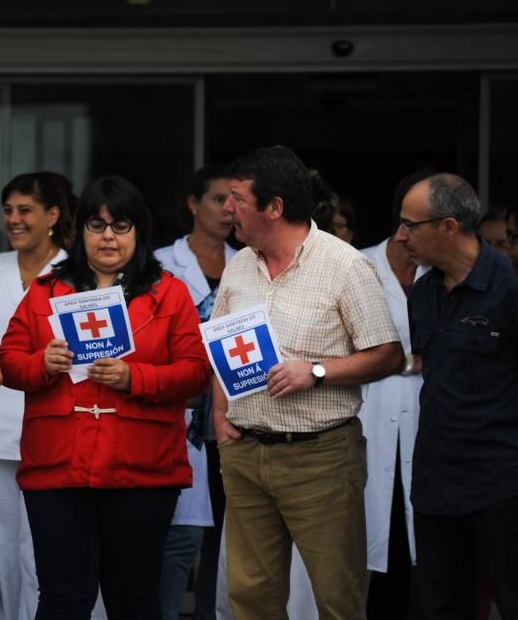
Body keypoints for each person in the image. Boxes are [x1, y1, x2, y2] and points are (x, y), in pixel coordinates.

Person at [0, 176, 211, 620]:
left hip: (142, 468)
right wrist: (44, 362)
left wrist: (136, 377)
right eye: (97, 225)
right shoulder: (45, 290)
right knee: (62, 599)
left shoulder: (169, 292)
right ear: (81, 232)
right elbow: (9, 362)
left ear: (140, 231)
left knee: (134, 600)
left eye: (121, 225)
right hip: (57, 466)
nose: (109, 236)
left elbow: (195, 373)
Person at [211, 145, 403, 620]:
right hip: (245, 453)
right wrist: (220, 414)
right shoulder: (239, 264)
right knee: (250, 596)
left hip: (320, 458)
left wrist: (315, 371)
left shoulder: (345, 265)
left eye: (236, 198)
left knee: (336, 595)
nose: (226, 208)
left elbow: (388, 354)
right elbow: (218, 342)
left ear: (274, 207)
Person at [395, 173, 518, 620]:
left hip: (500, 486)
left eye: (410, 224)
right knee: (441, 606)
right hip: (435, 485)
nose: (400, 235)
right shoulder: (424, 292)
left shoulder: (508, 285)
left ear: (448, 227)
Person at [0, 171, 75, 620]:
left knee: (45, 554)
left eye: (25, 210)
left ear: (52, 215)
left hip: (52, 427)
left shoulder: (75, 270)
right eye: (9, 210)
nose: (14, 220)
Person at [153, 165, 236, 620]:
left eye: (233, 201)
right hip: (181, 414)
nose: (228, 209)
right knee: (178, 541)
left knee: (227, 540)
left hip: (232, 416)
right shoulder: (160, 264)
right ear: (192, 203)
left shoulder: (247, 261)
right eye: (217, 199)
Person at [357, 171, 431, 620]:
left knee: (420, 551)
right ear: (402, 225)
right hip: (367, 421)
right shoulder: (358, 266)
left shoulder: (442, 275)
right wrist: (406, 361)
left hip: (428, 426)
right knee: (370, 555)